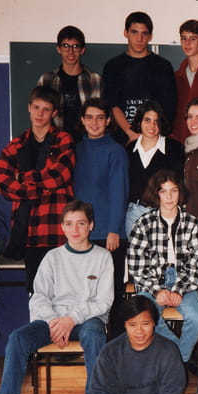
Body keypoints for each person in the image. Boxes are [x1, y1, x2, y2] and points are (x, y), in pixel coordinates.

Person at [0, 200, 112, 394]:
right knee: (17, 338)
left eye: (81, 223)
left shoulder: (103, 257)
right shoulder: (52, 258)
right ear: (62, 227)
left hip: (87, 321)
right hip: (52, 320)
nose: (75, 229)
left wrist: (71, 320)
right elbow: (39, 297)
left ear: (91, 225)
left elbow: (103, 301)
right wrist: (56, 323)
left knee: (94, 334)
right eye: (69, 224)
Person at [0, 86, 75, 292]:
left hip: (57, 229)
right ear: (29, 108)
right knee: (36, 294)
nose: (40, 114)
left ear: (54, 113)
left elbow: (60, 175)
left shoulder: (63, 140)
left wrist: (22, 178)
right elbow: (4, 184)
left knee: (64, 294)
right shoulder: (14, 146)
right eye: (37, 107)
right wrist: (41, 189)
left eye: (46, 109)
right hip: (29, 231)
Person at [127, 169, 198, 366]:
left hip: (185, 283)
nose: (169, 197)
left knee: (197, 317)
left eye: (173, 191)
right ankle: (180, 359)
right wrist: (157, 290)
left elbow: (197, 265)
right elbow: (136, 266)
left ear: (180, 192)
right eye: (163, 191)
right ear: (156, 194)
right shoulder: (143, 223)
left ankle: (177, 360)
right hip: (151, 283)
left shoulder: (193, 224)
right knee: (145, 317)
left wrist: (178, 290)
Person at [73, 98, 129, 301]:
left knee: (109, 295)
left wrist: (114, 230)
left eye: (99, 118)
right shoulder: (76, 149)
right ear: (82, 120)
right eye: (89, 117)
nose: (94, 123)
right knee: (83, 294)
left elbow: (119, 193)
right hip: (81, 233)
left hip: (108, 234)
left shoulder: (116, 151)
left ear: (108, 121)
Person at [102, 11, 177, 144]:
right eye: (134, 32)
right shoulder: (113, 66)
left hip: (154, 138)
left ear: (150, 36)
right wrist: (131, 133)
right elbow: (112, 105)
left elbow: (168, 108)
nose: (139, 38)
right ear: (126, 33)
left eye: (144, 33)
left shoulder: (163, 67)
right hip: (122, 139)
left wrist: (150, 135)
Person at [125, 100, 185, 237]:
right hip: (134, 213)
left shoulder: (174, 148)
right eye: (147, 120)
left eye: (156, 121)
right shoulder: (129, 149)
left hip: (164, 213)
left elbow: (179, 183)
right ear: (140, 122)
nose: (152, 125)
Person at [37, 25, 102, 142]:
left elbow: (102, 114)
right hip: (55, 143)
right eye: (65, 46)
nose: (70, 51)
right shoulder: (46, 80)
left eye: (75, 46)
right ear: (58, 49)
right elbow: (39, 115)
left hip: (87, 142)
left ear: (82, 50)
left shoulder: (95, 80)